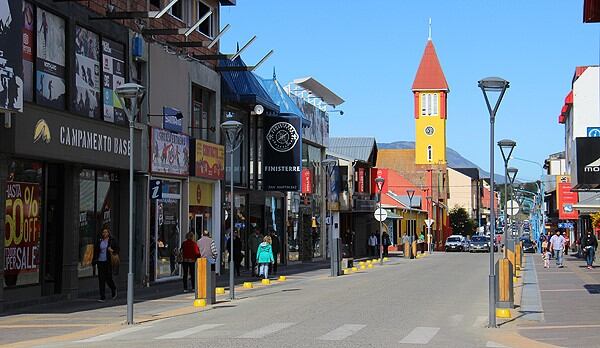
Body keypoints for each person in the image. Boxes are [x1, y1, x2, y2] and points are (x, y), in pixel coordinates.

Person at [93, 227, 119, 302]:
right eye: (103, 232)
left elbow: (117, 249)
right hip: (100, 261)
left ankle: (113, 288)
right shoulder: (99, 240)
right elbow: (96, 250)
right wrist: (94, 260)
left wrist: (112, 250)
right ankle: (102, 296)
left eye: (106, 232)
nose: (104, 234)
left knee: (108, 278)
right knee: (101, 279)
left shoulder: (112, 240)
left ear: (108, 233)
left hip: (108, 262)